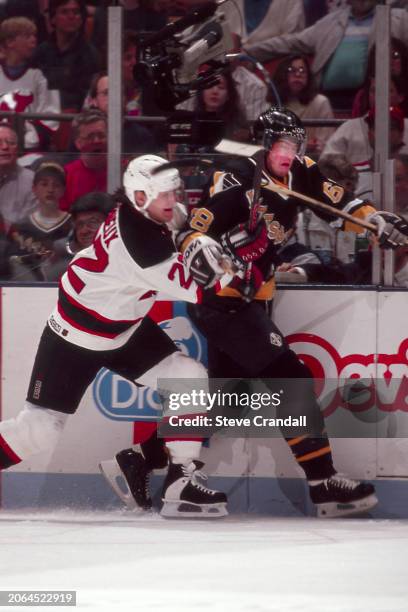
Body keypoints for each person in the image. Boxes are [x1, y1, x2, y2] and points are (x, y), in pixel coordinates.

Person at [108, 108, 408, 518]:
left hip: (255, 298)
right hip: (222, 301)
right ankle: (323, 484)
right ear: (265, 145)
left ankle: (140, 459)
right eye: (282, 145)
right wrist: (224, 252)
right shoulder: (235, 178)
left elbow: (338, 202)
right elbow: (194, 231)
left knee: (227, 398)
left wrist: (373, 221)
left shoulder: (302, 171)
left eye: (296, 145)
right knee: (292, 377)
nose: (290, 153)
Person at [0, 153, 268, 518]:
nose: (172, 201)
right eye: (164, 195)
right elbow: (209, 290)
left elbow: (184, 228)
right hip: (76, 336)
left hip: (123, 326)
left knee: (186, 376)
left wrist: (202, 241)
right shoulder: (140, 250)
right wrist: (242, 256)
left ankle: (179, 484)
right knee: (41, 429)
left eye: (173, 192)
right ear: (140, 196)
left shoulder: (142, 210)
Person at [243, 0, 408, 112]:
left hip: (371, 100)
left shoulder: (398, 19)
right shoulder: (330, 22)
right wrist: (248, 52)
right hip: (328, 99)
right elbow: (290, 42)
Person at [0, 17, 60, 153]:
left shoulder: (41, 76)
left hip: (30, 149)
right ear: (10, 42)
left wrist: (27, 139)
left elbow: (50, 119)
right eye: (27, 36)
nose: (34, 40)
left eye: (34, 36)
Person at [8, 161, 71, 281]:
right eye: (44, 184)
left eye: (56, 185)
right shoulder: (21, 227)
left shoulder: (73, 224)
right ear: (34, 189)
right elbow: (14, 263)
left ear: (63, 190)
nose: (50, 189)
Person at [34, 0, 100, 112]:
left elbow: (87, 96)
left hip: (74, 117)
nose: (71, 16)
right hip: (41, 114)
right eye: (64, 12)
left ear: (81, 18)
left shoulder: (90, 54)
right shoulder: (41, 52)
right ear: (53, 19)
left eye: (76, 12)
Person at [273, 54, 335, 157]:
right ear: (282, 74)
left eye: (303, 71)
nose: (298, 74)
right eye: (292, 70)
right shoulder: (273, 103)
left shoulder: (320, 102)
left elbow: (325, 144)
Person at [59, 110, 108, 211]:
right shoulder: (65, 175)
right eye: (90, 137)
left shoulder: (124, 170)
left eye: (101, 136)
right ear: (78, 143)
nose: (97, 141)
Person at [0, 124, 37, 231]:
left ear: (18, 148)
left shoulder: (32, 182)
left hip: (16, 242)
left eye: (11, 143)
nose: (5, 147)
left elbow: (28, 227)